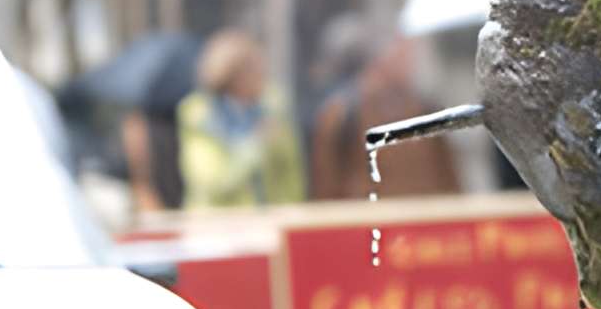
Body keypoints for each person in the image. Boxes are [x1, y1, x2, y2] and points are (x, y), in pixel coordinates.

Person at [309, 33, 462, 202]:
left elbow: (449, 178)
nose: (409, 61)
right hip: (366, 221)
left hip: (423, 220)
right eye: (401, 53)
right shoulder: (341, 115)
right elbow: (326, 186)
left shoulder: (427, 109)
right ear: (380, 57)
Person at [176, 30, 306, 210]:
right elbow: (214, 183)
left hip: (269, 224)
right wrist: (256, 144)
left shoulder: (273, 108)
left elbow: (290, 173)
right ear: (234, 75)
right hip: (216, 227)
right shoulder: (198, 116)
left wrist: (289, 211)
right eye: (255, 69)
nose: (263, 75)